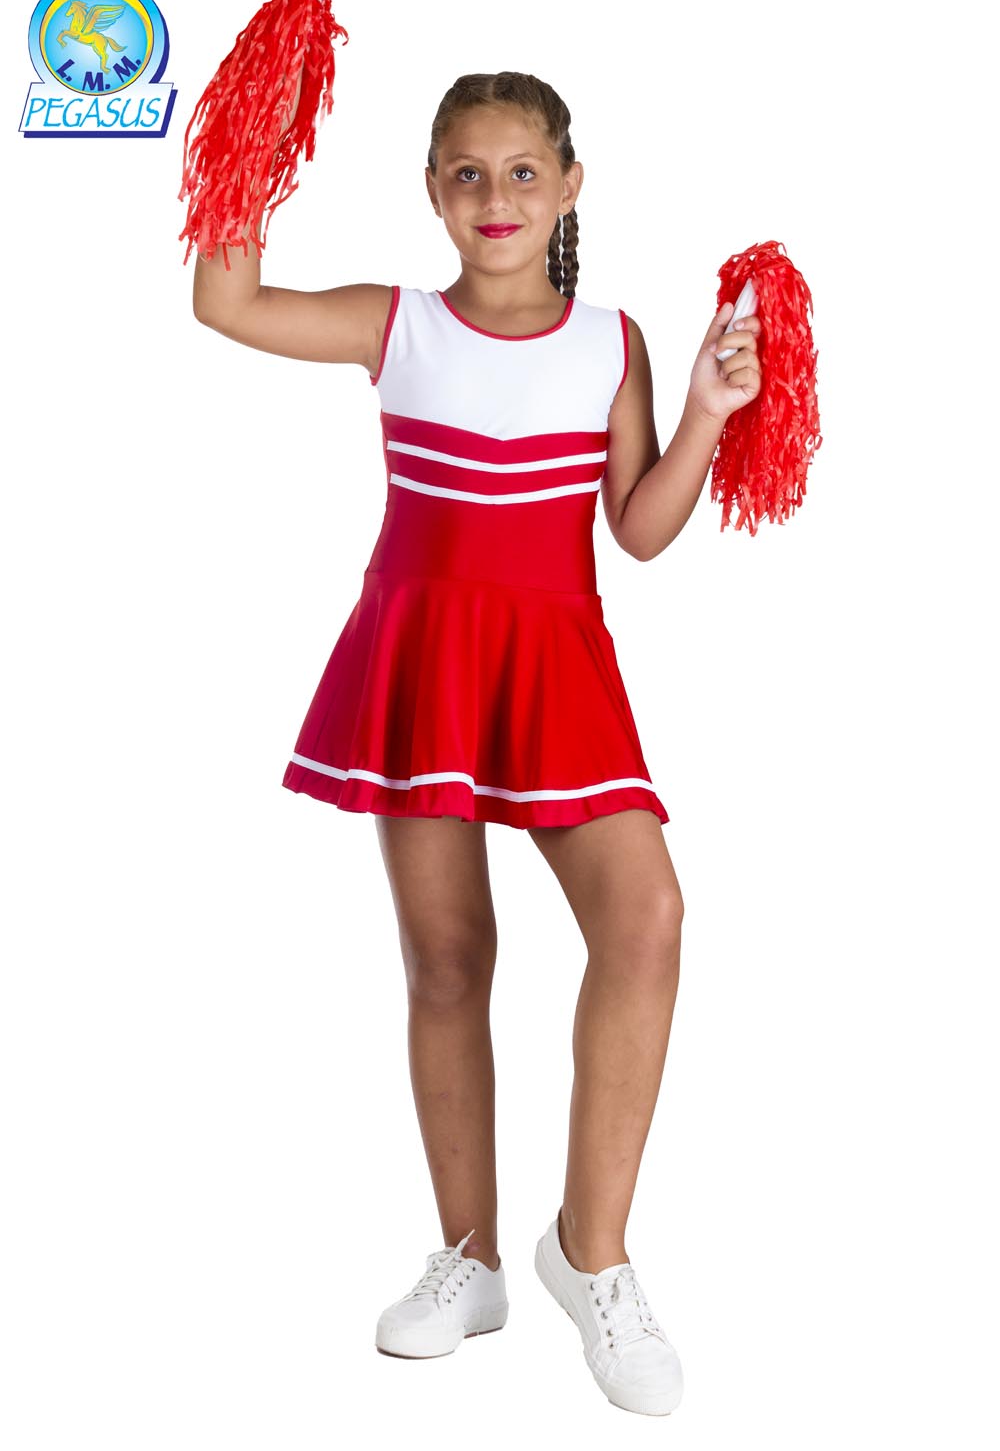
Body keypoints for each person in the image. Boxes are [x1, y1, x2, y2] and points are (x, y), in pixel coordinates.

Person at [192, 68, 761, 1418]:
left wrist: (704, 415)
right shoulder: (395, 325)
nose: (494, 197)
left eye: (521, 172)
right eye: (466, 173)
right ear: (432, 192)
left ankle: (591, 1254)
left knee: (647, 918)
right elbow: (227, 301)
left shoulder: (612, 340)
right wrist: (252, 137)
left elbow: (638, 528)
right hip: (426, 660)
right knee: (448, 961)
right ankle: (471, 1257)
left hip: (559, 666)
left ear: (569, 188)